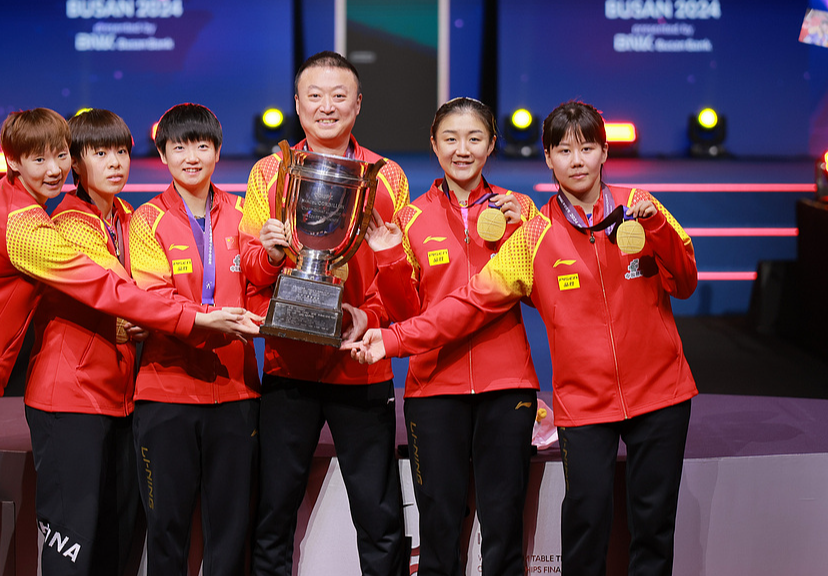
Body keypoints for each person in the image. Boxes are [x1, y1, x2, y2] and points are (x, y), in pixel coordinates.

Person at [349, 100, 698, 576]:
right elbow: (468, 305)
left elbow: (686, 280)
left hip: (661, 393)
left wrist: (655, 227)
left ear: (604, 153)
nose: (577, 161)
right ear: (548, 159)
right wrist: (389, 340)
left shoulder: (642, 207)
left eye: (588, 148)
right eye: (564, 151)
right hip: (586, 403)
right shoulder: (533, 234)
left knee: (654, 531)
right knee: (586, 528)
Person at [0, 107, 258, 576]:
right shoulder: (34, 227)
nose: (53, 169)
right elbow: (107, 289)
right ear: (12, 162)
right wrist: (196, 321)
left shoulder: (19, 202)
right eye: (40, 160)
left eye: (58, 156)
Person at [238, 50, 410, 576]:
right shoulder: (269, 172)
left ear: (358, 104)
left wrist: (368, 317)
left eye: (339, 96)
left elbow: (398, 275)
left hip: (359, 364)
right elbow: (248, 271)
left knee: (379, 514)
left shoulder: (387, 176)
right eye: (315, 96)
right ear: (297, 104)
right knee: (273, 512)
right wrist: (268, 252)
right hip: (290, 364)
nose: (327, 107)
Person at [365, 97, 539, 576]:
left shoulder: (519, 211)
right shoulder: (411, 218)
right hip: (434, 387)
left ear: (491, 145)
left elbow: (541, 294)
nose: (462, 150)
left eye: (475, 138)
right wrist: (390, 259)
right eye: (451, 139)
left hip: (507, 387)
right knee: (439, 524)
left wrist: (523, 230)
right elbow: (406, 313)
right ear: (434, 145)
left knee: (504, 523)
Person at [128, 103, 262, 576]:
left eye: (202, 145)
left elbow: (260, 291)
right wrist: (213, 319)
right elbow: (154, 301)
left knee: (230, 529)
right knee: (167, 528)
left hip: (235, 392)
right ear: (162, 154)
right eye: (179, 146)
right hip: (167, 392)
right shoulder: (145, 221)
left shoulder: (245, 216)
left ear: (218, 151)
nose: (191, 156)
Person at [22, 108, 142, 575]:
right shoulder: (70, 221)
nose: (114, 163)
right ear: (75, 162)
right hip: (69, 398)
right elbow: (121, 294)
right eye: (99, 153)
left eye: (121, 152)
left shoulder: (129, 217)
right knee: (72, 540)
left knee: (115, 534)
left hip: (120, 398)